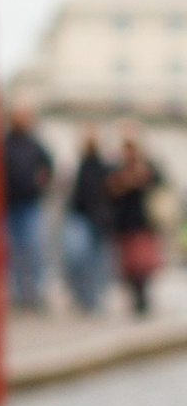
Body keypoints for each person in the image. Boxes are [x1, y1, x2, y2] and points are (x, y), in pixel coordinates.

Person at [0, 106, 52, 312]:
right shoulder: (4, 143)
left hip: (30, 205)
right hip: (9, 205)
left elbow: (49, 167)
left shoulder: (34, 145)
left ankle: (35, 293)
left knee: (33, 249)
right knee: (11, 251)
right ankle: (16, 293)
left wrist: (41, 185)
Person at [108, 133, 165, 318]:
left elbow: (160, 184)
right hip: (125, 223)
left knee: (143, 263)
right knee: (129, 265)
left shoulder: (148, 167)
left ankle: (143, 298)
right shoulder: (117, 169)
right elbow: (108, 190)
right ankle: (135, 298)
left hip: (143, 222)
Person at [65, 132, 114, 312]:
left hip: (98, 219)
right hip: (80, 217)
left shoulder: (104, 165)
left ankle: (94, 298)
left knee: (97, 262)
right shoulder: (75, 164)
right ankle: (82, 295)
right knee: (78, 257)